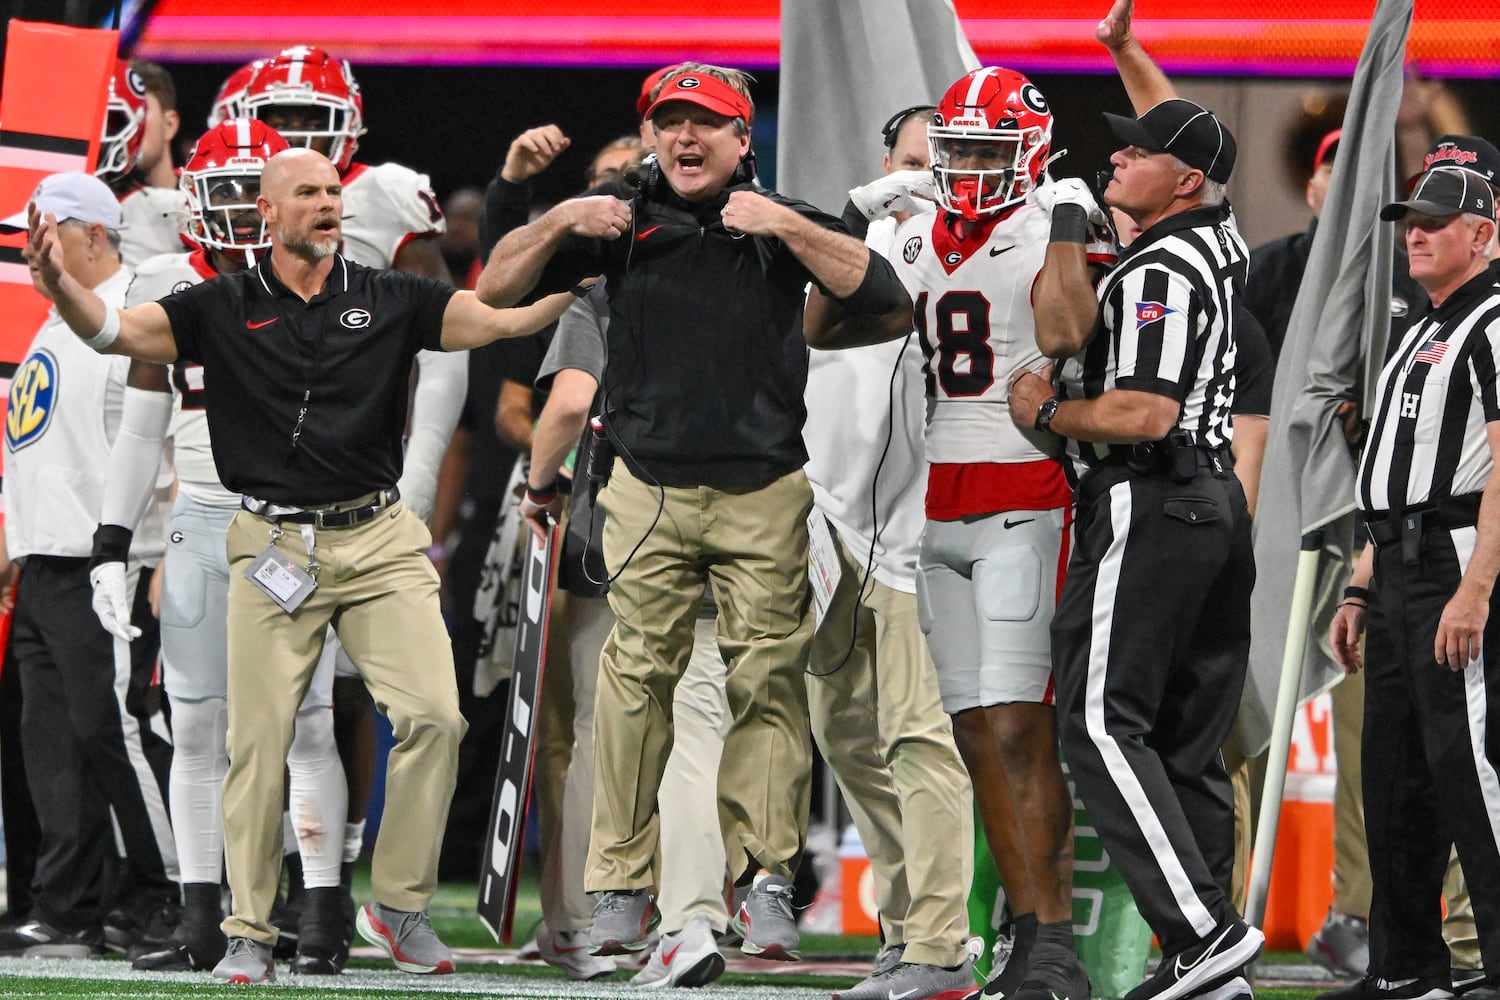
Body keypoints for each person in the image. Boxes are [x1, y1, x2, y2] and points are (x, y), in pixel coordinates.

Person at [26, 146, 574, 984]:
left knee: (437, 716)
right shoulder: (217, 302)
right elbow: (115, 334)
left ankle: (395, 903)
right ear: (267, 215)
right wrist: (62, 287)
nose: (326, 204)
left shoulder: (386, 294)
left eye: (331, 192)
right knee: (258, 739)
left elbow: (492, 318)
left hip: (378, 536)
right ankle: (247, 928)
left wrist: (579, 289)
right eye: (307, 193)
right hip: (271, 540)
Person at [480, 62, 908, 963]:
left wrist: (786, 223)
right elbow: (497, 292)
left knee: (768, 689)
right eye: (668, 122)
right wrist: (559, 215)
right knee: (634, 686)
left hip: (763, 490)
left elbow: (884, 299)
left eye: (705, 124)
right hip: (648, 490)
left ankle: (766, 884)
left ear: (743, 139)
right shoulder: (619, 221)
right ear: (648, 136)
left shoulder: (775, 220)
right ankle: (617, 892)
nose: (684, 138)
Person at [1006, 89, 1262, 1000]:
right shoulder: (1215, 244)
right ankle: (1214, 967)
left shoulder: (1161, 266)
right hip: (1211, 502)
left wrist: (1049, 412)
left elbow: (1141, 413)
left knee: (1102, 722)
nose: (1114, 159)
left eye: (1137, 153)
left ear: (1187, 179)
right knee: (1187, 743)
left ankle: (1200, 934)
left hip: (1152, 500)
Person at [90, 117, 357, 976]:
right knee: (197, 725)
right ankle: (201, 915)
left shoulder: (333, 286)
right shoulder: (175, 291)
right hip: (202, 525)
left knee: (306, 725)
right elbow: (140, 433)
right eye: (230, 192)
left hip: (294, 526)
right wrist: (110, 542)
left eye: (258, 191)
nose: (244, 211)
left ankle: (320, 912)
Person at [236, 45, 468, 950]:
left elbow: (445, 342)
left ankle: (359, 888)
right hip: (256, 487)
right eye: (279, 118)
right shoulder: (227, 187)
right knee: (273, 719)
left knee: (386, 702)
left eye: (308, 119)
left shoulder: (383, 196)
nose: (292, 137)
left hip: (365, 493)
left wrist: (413, 484)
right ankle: (299, 903)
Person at [802, 103, 978, 1000]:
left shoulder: (975, 248)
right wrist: (852, 219)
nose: (920, 183)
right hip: (834, 523)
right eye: (909, 165)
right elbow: (815, 329)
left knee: (920, 737)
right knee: (841, 734)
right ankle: (916, 919)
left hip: (921, 538)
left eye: (938, 166)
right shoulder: (859, 251)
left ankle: (938, 945)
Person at [1320, 164, 1500, 1000]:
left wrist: (1478, 587)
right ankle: (1404, 968)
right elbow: (1394, 473)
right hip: (1397, 556)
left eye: (1434, 219)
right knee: (1393, 774)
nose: (1415, 231)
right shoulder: (1424, 325)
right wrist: (1361, 582)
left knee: (1471, 768)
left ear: (1483, 233)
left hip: (1457, 556)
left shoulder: (1495, 319)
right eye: (1409, 219)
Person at [0, 171, 176, 959]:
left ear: (95, 234)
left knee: (116, 734)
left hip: (108, 564)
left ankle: (173, 891)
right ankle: (66, 902)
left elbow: (164, 440)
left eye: (46, 231)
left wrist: (162, 549)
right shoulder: (52, 321)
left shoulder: (140, 306)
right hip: (46, 561)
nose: (32, 249)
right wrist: (18, 541)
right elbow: (40, 443)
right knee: (52, 742)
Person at [97, 60, 189, 268]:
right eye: (116, 118)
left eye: (139, 112)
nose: (130, 127)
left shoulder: (198, 200)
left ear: (170, 124)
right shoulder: (93, 202)